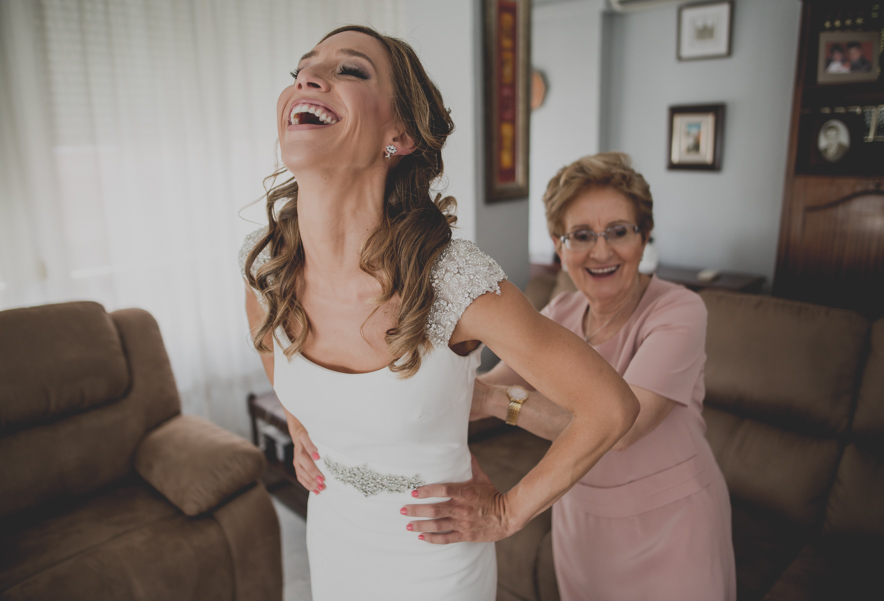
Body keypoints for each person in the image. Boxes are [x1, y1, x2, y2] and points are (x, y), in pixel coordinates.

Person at [239, 26, 639, 601]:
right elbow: (264, 340)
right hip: (333, 545)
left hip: (434, 569)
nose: (309, 77)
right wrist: (301, 422)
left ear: (397, 133)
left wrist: (506, 513)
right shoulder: (266, 264)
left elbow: (609, 408)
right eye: (302, 69)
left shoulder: (452, 281)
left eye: (350, 70)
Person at [474, 153, 736, 600]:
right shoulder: (559, 313)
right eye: (581, 235)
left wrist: (500, 403)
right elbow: (492, 380)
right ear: (561, 248)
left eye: (618, 231)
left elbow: (621, 429)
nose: (601, 251)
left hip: (673, 526)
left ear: (644, 237)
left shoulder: (680, 311)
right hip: (582, 521)